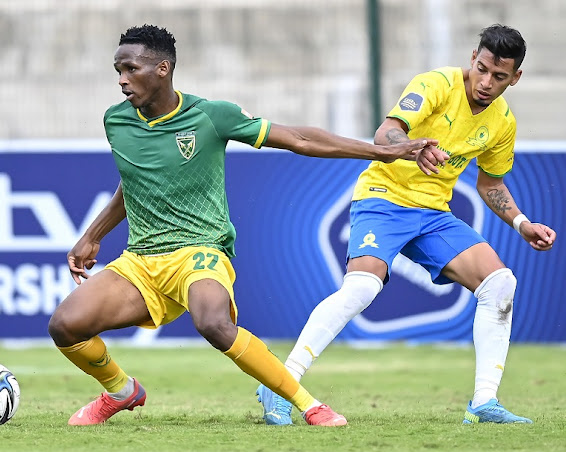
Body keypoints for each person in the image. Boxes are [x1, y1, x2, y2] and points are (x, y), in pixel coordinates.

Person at [47, 24, 437, 427]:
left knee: (213, 323)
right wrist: (91, 236)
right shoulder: (117, 122)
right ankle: (121, 391)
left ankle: (309, 404)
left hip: (199, 250)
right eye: (118, 70)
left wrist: (380, 151)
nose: (122, 80)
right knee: (65, 325)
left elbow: (300, 139)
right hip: (141, 261)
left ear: (162, 68)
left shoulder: (211, 116)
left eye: (130, 69)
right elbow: (133, 183)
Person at [256, 24, 557, 426]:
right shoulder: (436, 84)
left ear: (515, 78)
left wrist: (522, 224)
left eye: (499, 76)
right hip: (384, 198)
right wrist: (408, 147)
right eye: (482, 69)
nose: (486, 82)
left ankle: (484, 404)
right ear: (473, 57)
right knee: (362, 287)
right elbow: (387, 131)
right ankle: (279, 382)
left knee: (500, 283)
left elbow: (491, 183)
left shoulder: (502, 122)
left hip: (433, 215)